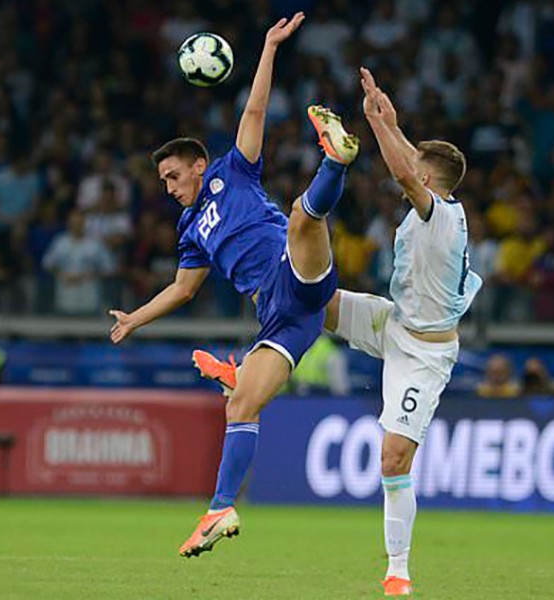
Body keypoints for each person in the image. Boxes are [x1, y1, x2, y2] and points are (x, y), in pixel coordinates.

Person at [194, 67, 480, 596]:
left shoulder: (440, 215)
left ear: (431, 180)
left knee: (393, 457)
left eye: (418, 163)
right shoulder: (433, 203)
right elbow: (412, 165)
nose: (407, 163)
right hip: (394, 322)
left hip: (425, 353)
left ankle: (399, 569)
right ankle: (251, 373)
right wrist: (385, 118)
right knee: (309, 299)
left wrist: (376, 133)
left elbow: (405, 175)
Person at [108, 13, 359, 559]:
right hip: (283, 315)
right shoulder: (190, 230)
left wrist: (268, 48)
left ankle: (335, 163)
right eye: (163, 182)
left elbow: (256, 110)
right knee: (241, 408)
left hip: (293, 273)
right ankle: (221, 506)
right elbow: (182, 289)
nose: (169, 187)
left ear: (199, 165)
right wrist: (135, 318)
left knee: (300, 219)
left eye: (174, 175)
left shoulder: (233, 172)